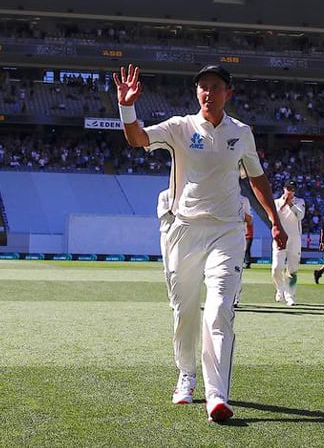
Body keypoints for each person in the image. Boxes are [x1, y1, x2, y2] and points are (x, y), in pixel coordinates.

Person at [113, 63, 287, 423]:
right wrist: (126, 107)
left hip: (227, 231)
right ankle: (186, 374)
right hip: (184, 230)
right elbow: (137, 139)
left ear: (228, 93)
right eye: (203, 86)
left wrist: (274, 219)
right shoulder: (180, 127)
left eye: (216, 86)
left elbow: (257, 178)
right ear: (196, 92)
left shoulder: (242, 132)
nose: (209, 92)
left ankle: (217, 395)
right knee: (185, 311)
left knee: (220, 308)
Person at [272, 180, 305, 306]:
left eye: (292, 189)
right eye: (288, 189)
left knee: (293, 269)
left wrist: (290, 204)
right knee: (276, 267)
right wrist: (283, 204)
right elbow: (272, 218)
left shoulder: (300, 202)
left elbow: (300, 216)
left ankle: (290, 295)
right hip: (280, 237)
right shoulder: (276, 202)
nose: (290, 191)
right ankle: (279, 289)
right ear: (284, 189)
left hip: (294, 238)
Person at [233, 194, 253, 308]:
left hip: (238, 237)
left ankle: (235, 298)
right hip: (219, 238)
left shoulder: (243, 200)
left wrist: (238, 212)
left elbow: (249, 220)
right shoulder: (216, 195)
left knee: (237, 269)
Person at [241, 194, 254, 269]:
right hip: (243, 234)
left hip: (248, 235)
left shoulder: (249, 217)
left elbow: (249, 222)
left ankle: (247, 262)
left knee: (246, 249)